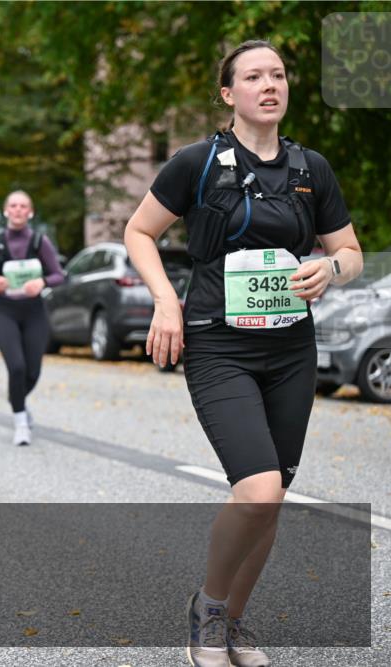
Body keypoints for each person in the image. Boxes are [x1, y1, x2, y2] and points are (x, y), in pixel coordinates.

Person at [123, 41, 363, 667]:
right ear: (229, 94)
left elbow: (352, 252)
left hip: (290, 350)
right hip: (219, 343)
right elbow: (139, 231)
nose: (269, 85)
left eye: (278, 75)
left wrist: (331, 267)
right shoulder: (198, 162)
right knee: (257, 490)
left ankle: (233, 621)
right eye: (253, 76)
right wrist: (166, 302)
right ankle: (207, 608)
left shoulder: (312, 169)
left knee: (274, 493)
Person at [0, 190, 64, 446]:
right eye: (13, 205)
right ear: (6, 211)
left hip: (34, 312)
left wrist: (42, 282)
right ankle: (21, 422)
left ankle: (17, 399)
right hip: (5, 312)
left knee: (32, 372)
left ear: (30, 212)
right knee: (17, 367)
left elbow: (59, 274)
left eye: (23, 206)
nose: (18, 210)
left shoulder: (38, 241)